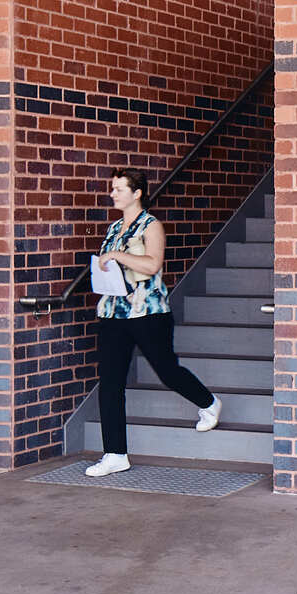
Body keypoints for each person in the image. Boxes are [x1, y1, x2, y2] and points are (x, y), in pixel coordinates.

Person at [85, 167, 223, 477]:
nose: (113, 193)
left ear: (137, 194)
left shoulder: (151, 226)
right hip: (113, 314)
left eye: (119, 189)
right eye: (113, 188)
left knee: (166, 371)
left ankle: (209, 402)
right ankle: (115, 454)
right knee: (110, 384)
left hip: (149, 313)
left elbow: (151, 265)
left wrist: (118, 256)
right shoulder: (113, 227)